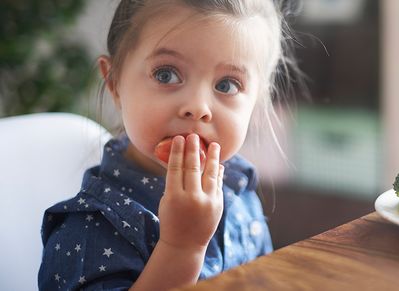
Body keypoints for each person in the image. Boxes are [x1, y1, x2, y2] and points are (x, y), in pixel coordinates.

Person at [38, 0, 304, 290]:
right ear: (114, 83)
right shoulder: (90, 229)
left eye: (227, 85)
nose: (197, 107)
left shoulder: (239, 187)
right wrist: (181, 248)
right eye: (166, 75)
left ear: (256, 100)